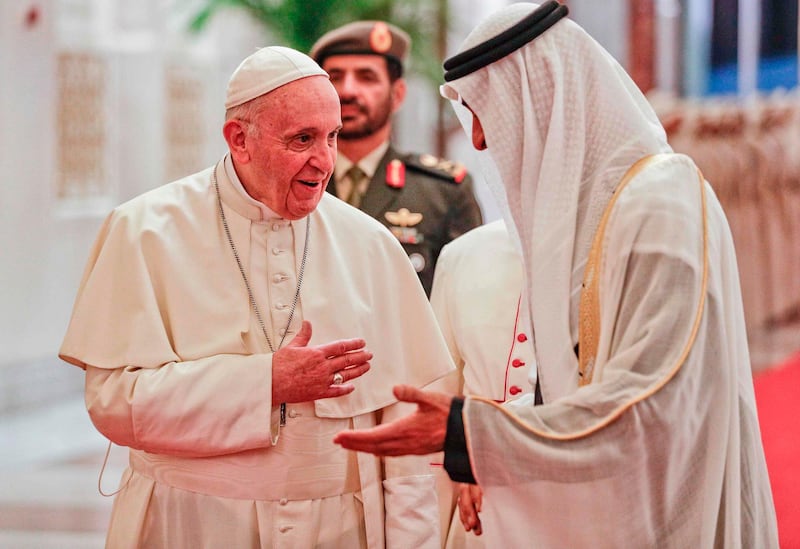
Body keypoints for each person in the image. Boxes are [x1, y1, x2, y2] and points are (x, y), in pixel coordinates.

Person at [334, 3, 779, 548]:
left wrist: (473, 434)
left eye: (483, 111)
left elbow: (650, 405)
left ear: (542, 101)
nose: (476, 140)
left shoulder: (662, 203)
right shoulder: (595, 221)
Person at [58, 46, 454, 548]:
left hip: (339, 530)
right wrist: (265, 382)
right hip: (193, 526)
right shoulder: (145, 231)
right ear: (239, 139)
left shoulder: (371, 243)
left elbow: (404, 443)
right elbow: (112, 404)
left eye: (331, 136)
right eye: (302, 139)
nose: (325, 160)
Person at [309, 20, 484, 296]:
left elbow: (468, 302)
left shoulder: (444, 192)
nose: (348, 90)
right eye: (335, 77)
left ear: (398, 94)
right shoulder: (291, 182)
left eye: (366, 77)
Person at [429, 219, 536, 547]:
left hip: (563, 502)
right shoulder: (462, 254)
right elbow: (438, 399)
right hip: (477, 515)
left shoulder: (612, 252)